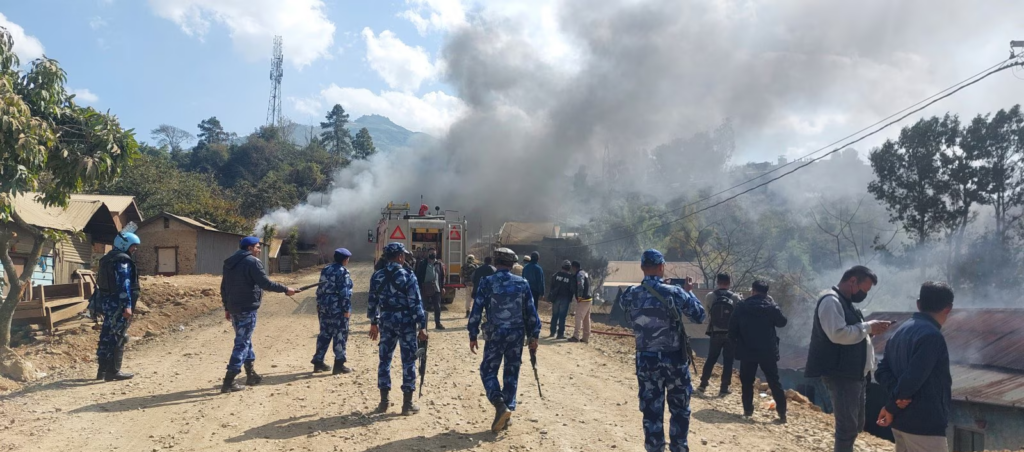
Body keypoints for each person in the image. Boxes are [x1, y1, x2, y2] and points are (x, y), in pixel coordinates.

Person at [617, 249, 706, 452]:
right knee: (680, 410)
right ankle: (679, 448)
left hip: (646, 360)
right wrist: (688, 291)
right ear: (661, 267)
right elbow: (699, 315)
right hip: (674, 360)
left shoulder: (631, 294)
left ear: (642, 267)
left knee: (651, 412)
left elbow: (626, 310)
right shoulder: (675, 292)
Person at [804, 265, 892, 452]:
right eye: (864, 289)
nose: (864, 294)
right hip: (841, 374)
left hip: (855, 374)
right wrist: (868, 327)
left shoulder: (847, 303)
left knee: (855, 426)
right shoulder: (831, 301)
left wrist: (871, 332)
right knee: (846, 428)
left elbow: (854, 334)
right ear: (853, 281)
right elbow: (838, 334)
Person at [468, 247, 541, 433]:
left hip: (495, 334)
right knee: (511, 373)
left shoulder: (487, 282)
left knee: (487, 370)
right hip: (516, 335)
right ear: (512, 264)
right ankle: (507, 412)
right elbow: (531, 313)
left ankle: (500, 405)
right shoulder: (522, 283)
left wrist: (473, 333)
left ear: (495, 262)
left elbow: (476, 309)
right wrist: (534, 335)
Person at [875, 282, 954, 452]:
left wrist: (893, 404)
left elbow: (881, 371)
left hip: (901, 422)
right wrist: (893, 405)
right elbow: (912, 379)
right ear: (948, 308)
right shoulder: (932, 337)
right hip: (925, 423)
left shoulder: (900, 330)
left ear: (918, 304)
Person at [220, 237, 297, 393]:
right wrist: (285, 289)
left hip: (234, 308)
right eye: (257, 247)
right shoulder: (253, 262)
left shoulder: (229, 262)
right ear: (249, 248)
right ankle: (229, 380)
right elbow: (265, 284)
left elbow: (224, 287)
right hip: (247, 308)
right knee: (242, 343)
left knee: (245, 340)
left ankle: (251, 375)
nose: (259, 250)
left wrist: (227, 307)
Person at [368, 242, 429, 415]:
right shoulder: (408, 276)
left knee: (384, 360)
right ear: (400, 257)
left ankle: (383, 402)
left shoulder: (377, 276)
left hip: (386, 322)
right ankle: (407, 404)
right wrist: (421, 327)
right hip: (406, 322)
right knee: (408, 361)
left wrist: (374, 322)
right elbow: (415, 303)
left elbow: (372, 301)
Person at [729, 280, 788, 423]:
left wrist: (736, 343)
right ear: (766, 292)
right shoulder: (771, 307)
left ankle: (748, 410)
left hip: (747, 350)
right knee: (774, 381)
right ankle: (782, 413)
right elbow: (782, 322)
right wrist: (774, 305)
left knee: (747, 381)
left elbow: (732, 329)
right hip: (767, 351)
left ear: (752, 290)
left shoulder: (742, 306)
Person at [94, 225, 142, 382]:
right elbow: (124, 284)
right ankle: (113, 371)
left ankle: (101, 371)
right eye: (133, 246)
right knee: (118, 336)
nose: (134, 249)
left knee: (106, 335)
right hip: (118, 305)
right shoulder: (122, 260)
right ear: (125, 245)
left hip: (107, 302)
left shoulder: (107, 258)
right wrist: (127, 305)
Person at [311, 248, 354, 375]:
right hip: (338, 308)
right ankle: (339, 364)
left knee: (324, 334)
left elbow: (320, 288)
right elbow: (344, 293)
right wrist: (346, 309)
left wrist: (319, 304)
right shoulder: (343, 272)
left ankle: (318, 362)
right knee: (340, 334)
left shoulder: (326, 269)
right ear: (345, 260)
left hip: (325, 306)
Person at [698, 273, 742, 396]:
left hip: (715, 332)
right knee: (728, 361)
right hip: (730, 334)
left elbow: (709, 313)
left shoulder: (710, 296)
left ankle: (703, 384)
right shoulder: (735, 297)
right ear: (729, 282)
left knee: (711, 358)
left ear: (717, 282)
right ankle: (723, 388)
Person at [415, 247, 447, 330]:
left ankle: (438, 323)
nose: (432, 254)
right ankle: (422, 325)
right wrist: (418, 287)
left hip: (436, 288)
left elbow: (442, 276)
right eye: (431, 253)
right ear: (427, 254)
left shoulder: (439, 264)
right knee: (423, 307)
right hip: (424, 288)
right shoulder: (422, 263)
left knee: (437, 307)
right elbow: (418, 275)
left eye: (434, 253)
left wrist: (442, 287)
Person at [547, 260, 574, 339]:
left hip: (556, 298)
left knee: (555, 315)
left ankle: (552, 332)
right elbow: (572, 289)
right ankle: (560, 334)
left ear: (562, 266)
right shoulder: (571, 277)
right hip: (565, 298)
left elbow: (551, 285)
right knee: (562, 317)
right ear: (569, 268)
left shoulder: (556, 275)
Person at [567, 261, 593, 344]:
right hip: (589, 299)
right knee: (586, 319)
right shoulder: (585, 273)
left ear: (574, 267)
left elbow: (580, 285)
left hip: (583, 299)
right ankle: (585, 337)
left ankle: (576, 336)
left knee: (578, 317)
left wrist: (580, 296)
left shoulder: (579, 274)